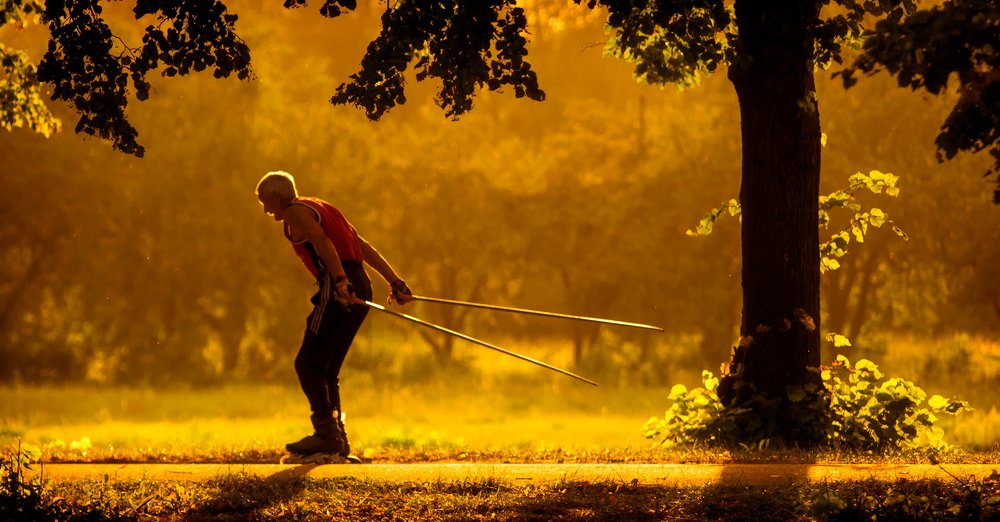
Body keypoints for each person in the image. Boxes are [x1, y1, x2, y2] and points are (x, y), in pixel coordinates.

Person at [256, 170, 413, 459]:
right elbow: (362, 246)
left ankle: (326, 435)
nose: (266, 209)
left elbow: (321, 242)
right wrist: (395, 281)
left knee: (307, 363)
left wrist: (339, 280)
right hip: (361, 285)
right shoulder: (322, 207)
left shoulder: (295, 213)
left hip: (339, 284)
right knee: (327, 368)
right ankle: (338, 442)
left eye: (265, 202)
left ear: (277, 197)